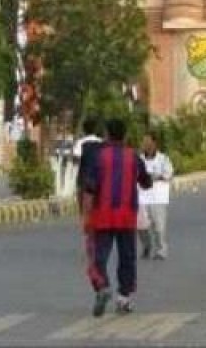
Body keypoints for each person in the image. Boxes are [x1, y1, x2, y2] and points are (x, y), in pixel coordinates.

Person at [81, 118, 152, 316]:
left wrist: (86, 216)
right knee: (127, 257)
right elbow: (146, 182)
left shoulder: (99, 157)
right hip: (127, 216)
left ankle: (102, 286)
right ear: (125, 135)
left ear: (107, 135)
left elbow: (89, 189)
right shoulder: (133, 157)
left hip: (102, 215)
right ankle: (124, 298)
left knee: (98, 256)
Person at [137, 134, 174, 260]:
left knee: (159, 227)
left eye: (148, 142)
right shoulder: (139, 159)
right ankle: (146, 246)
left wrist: (155, 176)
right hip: (142, 197)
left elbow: (168, 174)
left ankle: (161, 250)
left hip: (158, 197)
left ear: (154, 144)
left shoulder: (163, 159)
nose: (146, 145)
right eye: (144, 142)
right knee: (141, 226)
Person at [72, 117, 103, 208]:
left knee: (83, 207)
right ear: (95, 129)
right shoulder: (101, 143)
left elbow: (76, 159)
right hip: (99, 179)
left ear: (84, 130)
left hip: (84, 179)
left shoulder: (80, 143)